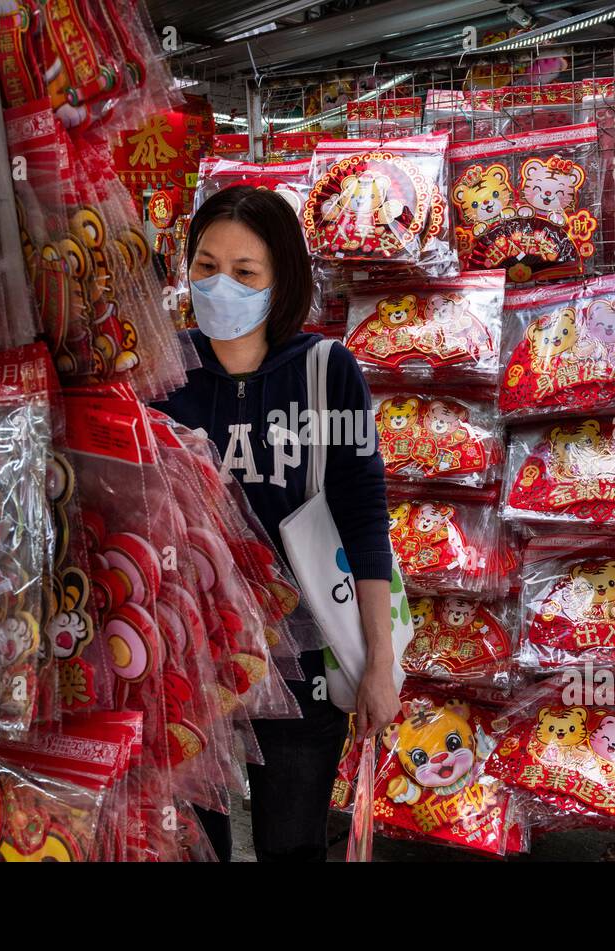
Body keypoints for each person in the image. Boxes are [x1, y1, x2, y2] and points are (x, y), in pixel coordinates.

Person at [153, 185, 399, 861]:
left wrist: (378, 661)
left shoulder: (326, 372)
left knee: (291, 844)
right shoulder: (160, 373)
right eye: (205, 265)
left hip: (298, 665)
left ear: (281, 278)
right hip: (186, 661)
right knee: (188, 847)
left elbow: (364, 519)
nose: (219, 285)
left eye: (244, 271)